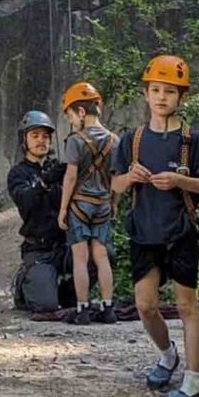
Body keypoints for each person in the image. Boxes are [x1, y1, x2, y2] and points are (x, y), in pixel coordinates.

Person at [111, 55, 199, 397]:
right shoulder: (132, 139)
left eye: (169, 91)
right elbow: (115, 184)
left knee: (187, 306)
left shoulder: (192, 139)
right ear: (146, 94)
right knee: (145, 305)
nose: (161, 97)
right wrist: (132, 177)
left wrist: (179, 180)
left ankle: (193, 381)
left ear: (181, 98)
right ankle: (167, 354)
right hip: (144, 231)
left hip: (181, 232)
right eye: (155, 90)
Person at [56, 82, 118, 325]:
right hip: (103, 204)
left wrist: (63, 209)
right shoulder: (115, 140)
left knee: (80, 257)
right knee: (101, 256)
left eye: (71, 116)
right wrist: (113, 202)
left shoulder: (75, 140)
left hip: (79, 205)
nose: (71, 122)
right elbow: (115, 177)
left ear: (81, 112)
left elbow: (70, 176)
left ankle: (82, 309)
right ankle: (108, 307)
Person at [7, 110, 69, 312]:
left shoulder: (58, 168)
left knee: (101, 257)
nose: (41, 140)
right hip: (38, 249)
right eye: (35, 136)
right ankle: (25, 283)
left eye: (45, 136)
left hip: (65, 245)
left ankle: (62, 292)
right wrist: (43, 183)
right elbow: (25, 201)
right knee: (45, 306)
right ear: (24, 140)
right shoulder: (18, 173)